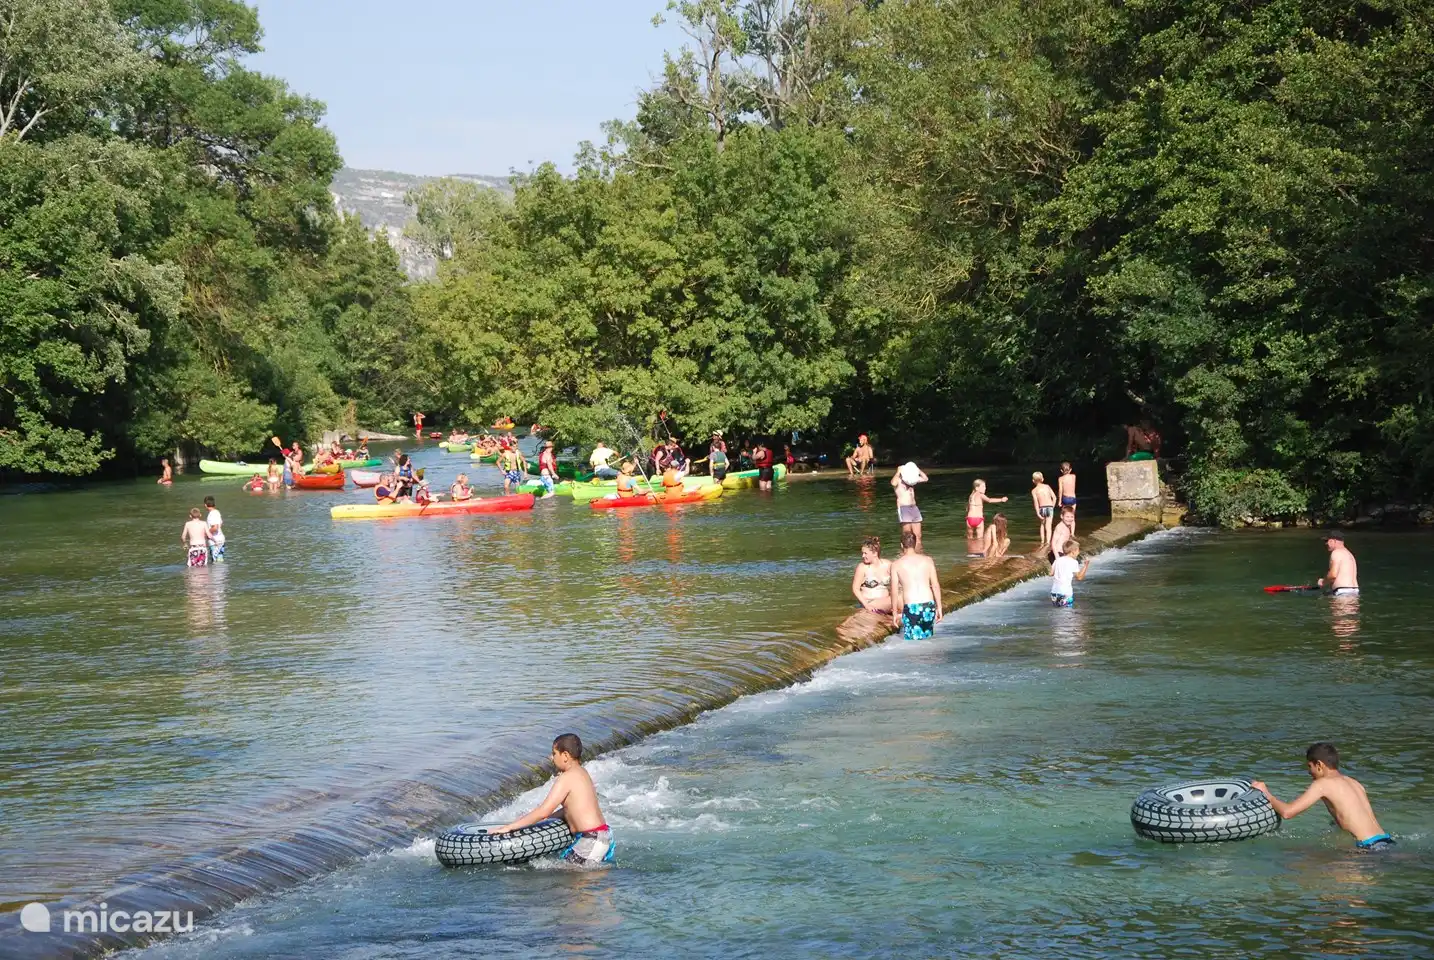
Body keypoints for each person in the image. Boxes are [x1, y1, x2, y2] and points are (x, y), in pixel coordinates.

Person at [491, 733, 614, 866]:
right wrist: (546, 820)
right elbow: (571, 809)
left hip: (591, 839)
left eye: (554, 753)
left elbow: (544, 810)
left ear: (565, 755)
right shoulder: (582, 773)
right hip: (601, 835)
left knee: (572, 883)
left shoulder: (566, 778)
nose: (551, 758)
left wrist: (510, 827)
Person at [1252, 743, 1391, 850]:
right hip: (1385, 841)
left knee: (1295, 860)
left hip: (1367, 848)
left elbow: (1287, 813)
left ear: (1319, 765)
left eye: (1309, 766)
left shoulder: (1323, 783)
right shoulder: (1354, 782)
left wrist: (1266, 793)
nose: (1308, 772)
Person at [889, 530, 942, 640]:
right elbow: (935, 585)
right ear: (915, 543)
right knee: (927, 640)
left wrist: (894, 613)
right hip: (929, 605)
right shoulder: (928, 560)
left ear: (901, 545)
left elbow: (894, 591)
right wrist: (939, 607)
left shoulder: (896, 564)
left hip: (912, 607)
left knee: (913, 644)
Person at [851, 536, 893, 615]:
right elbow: (855, 589)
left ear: (875, 553)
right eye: (862, 553)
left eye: (865, 553)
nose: (863, 556)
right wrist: (866, 605)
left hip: (886, 602)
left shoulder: (888, 564)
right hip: (869, 603)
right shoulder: (862, 567)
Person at [892, 462, 928, 550]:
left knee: (918, 536)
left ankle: (918, 553)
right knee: (907, 536)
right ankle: (904, 555)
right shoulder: (899, 481)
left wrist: (917, 470)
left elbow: (925, 478)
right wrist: (898, 471)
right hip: (904, 508)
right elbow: (893, 483)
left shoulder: (912, 480)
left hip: (914, 508)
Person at [1049, 539, 1090, 607]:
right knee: (1067, 614)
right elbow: (1079, 577)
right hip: (1065, 592)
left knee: (1057, 612)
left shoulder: (1057, 560)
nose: (1078, 552)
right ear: (1073, 552)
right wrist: (1086, 565)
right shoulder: (1073, 562)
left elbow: (1051, 573)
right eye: (1078, 550)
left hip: (1054, 592)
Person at [1318, 531, 1359, 596]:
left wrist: (1323, 582)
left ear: (1334, 541)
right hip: (1354, 591)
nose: (1326, 543)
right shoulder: (1349, 554)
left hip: (1342, 591)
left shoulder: (1336, 553)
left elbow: (1333, 575)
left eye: (1327, 541)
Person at [1031, 472, 1057, 548]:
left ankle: (1042, 542)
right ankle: (1048, 542)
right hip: (1049, 507)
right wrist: (1052, 507)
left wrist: (1038, 513)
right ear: (1042, 479)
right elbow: (1054, 498)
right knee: (1048, 526)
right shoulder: (1047, 486)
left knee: (1042, 524)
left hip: (1042, 508)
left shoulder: (1034, 491)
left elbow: (1036, 503)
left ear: (1033, 481)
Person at [203, 495, 225, 563]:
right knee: (220, 560)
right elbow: (220, 523)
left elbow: (215, 527)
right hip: (221, 539)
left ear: (205, 505)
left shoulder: (212, 514)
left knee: (215, 562)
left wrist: (207, 533)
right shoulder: (217, 512)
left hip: (215, 541)